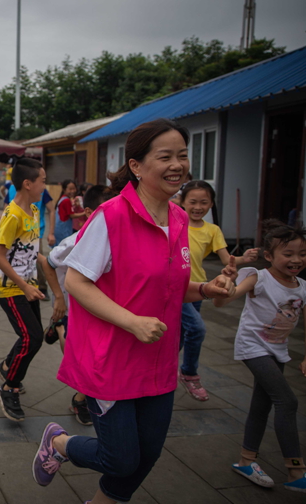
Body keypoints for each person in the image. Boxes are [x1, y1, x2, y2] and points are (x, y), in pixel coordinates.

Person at [34, 118, 234, 504]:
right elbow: (77, 282)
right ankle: (59, 443)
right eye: (165, 156)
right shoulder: (111, 216)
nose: (178, 164)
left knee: (149, 453)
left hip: (158, 359)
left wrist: (206, 289)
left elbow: (170, 288)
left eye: (182, 155)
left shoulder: (178, 218)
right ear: (137, 166)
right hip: (110, 358)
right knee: (121, 458)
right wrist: (131, 321)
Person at [213, 220, 306, 493]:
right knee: (287, 401)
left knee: (261, 405)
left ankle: (246, 460)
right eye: (288, 254)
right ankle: (296, 469)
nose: (296, 260)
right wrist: (227, 282)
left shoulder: (301, 286)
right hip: (253, 347)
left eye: (302, 254)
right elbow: (221, 301)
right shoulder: (258, 277)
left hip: (278, 349)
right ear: (269, 256)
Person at [0, 158, 62, 421]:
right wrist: (23, 286)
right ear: (28, 183)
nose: (46, 186)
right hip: (10, 288)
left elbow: (36, 254)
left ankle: (8, 366)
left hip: (28, 284)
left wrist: (57, 289)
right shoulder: (12, 216)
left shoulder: (34, 210)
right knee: (31, 337)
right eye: (43, 181)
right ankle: (8, 388)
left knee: (31, 338)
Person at [178, 180, 258, 401]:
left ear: (211, 204)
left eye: (204, 202)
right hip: (177, 289)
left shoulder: (212, 230)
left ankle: (157, 369)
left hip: (199, 289)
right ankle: (189, 373)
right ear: (182, 202)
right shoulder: (175, 223)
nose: (198, 206)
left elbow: (227, 259)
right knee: (196, 330)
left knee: (183, 336)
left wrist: (243, 259)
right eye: (192, 201)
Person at [44, 185, 116, 426]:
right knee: (85, 359)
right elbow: (48, 263)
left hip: (106, 313)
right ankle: (81, 399)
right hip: (77, 311)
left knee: (98, 361)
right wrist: (58, 297)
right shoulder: (76, 241)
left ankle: (84, 396)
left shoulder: (123, 240)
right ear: (89, 213)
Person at [53, 179, 86, 245]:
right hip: (64, 229)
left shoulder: (63, 198)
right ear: (64, 189)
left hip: (59, 227)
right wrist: (85, 213)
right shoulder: (66, 200)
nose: (73, 191)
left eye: (74, 188)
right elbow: (72, 215)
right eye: (70, 189)